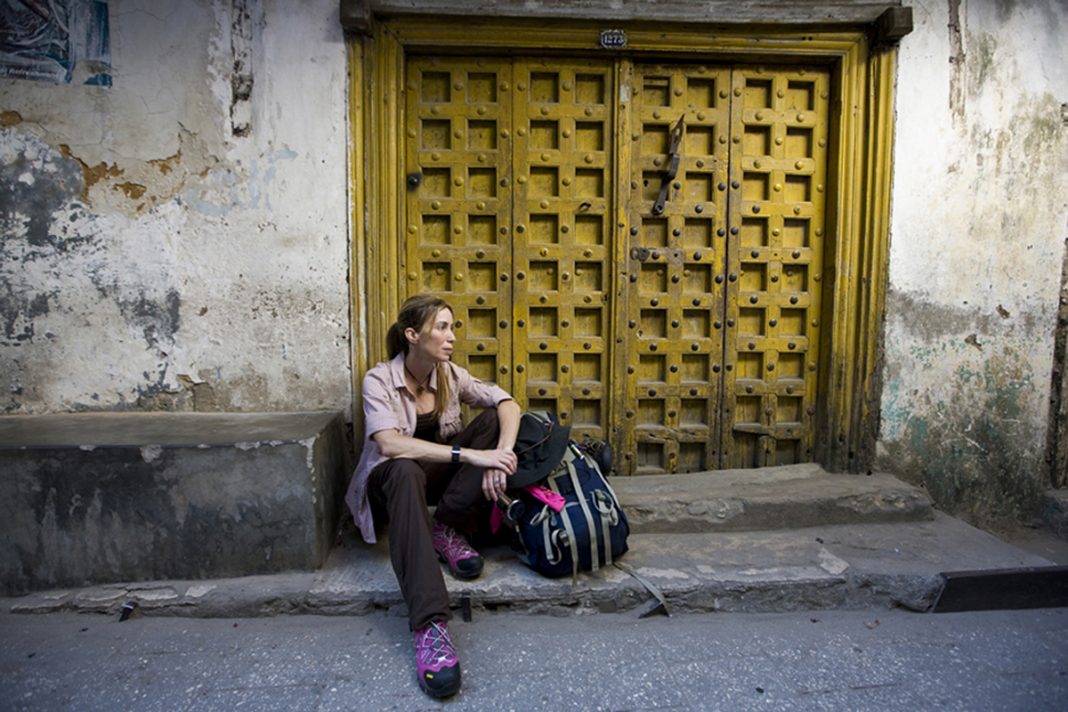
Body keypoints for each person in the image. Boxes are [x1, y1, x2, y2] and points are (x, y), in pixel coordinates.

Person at [345, 294, 521, 699]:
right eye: (441, 327)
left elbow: (506, 403)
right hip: (390, 485)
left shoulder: (449, 375)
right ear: (412, 335)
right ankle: (430, 627)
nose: (451, 337)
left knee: (493, 421)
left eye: (452, 327)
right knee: (406, 468)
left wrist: (499, 458)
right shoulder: (379, 380)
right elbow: (389, 445)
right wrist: (471, 454)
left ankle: (446, 528)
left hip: (435, 480)